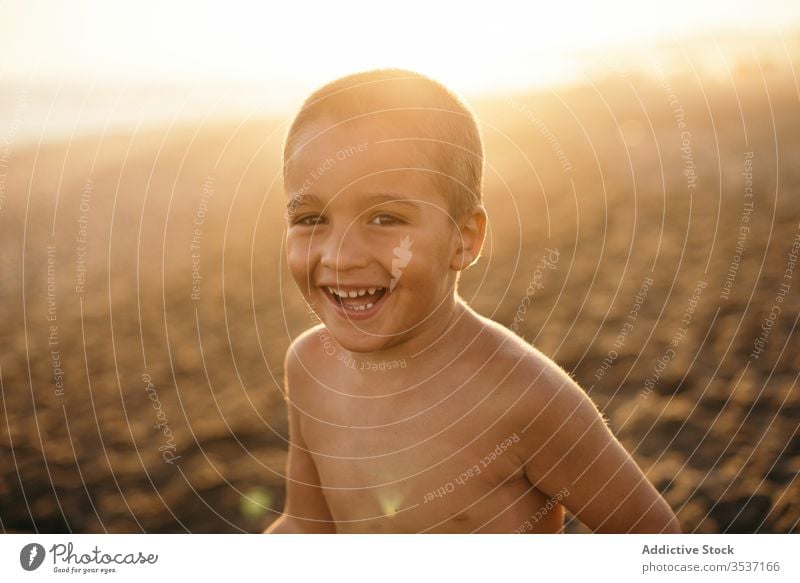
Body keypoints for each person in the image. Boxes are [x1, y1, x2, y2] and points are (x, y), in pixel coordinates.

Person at [264, 69, 679, 533]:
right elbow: (305, 527)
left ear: (464, 238)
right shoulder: (308, 367)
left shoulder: (526, 398)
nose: (341, 256)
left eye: (384, 218)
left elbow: (652, 536)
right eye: (311, 217)